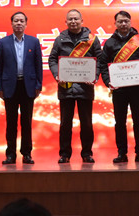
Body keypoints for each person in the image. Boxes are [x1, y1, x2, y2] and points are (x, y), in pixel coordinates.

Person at [48, 9, 102, 164]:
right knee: (65, 124)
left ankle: (87, 153)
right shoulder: (60, 39)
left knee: (86, 123)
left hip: (85, 88)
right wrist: (57, 74)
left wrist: (94, 76)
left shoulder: (92, 39)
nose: (73, 22)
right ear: (66, 22)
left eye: (76, 19)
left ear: (82, 21)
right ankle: (64, 154)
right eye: (70, 19)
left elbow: (99, 59)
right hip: (66, 87)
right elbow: (52, 59)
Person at [99, 10, 139, 164]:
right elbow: (103, 64)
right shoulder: (109, 43)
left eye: (126, 21)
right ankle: (122, 152)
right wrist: (108, 81)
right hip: (119, 89)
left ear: (130, 22)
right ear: (115, 23)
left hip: (137, 88)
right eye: (120, 21)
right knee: (120, 122)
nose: (123, 24)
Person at [0, 11, 43, 165]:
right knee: (11, 122)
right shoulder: (3, 43)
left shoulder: (33, 42)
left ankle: (27, 154)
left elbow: (38, 65)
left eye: (22, 21)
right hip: (9, 86)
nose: (19, 23)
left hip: (28, 86)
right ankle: (10, 154)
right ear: (12, 24)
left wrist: (38, 85)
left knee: (26, 122)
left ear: (26, 24)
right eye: (16, 21)